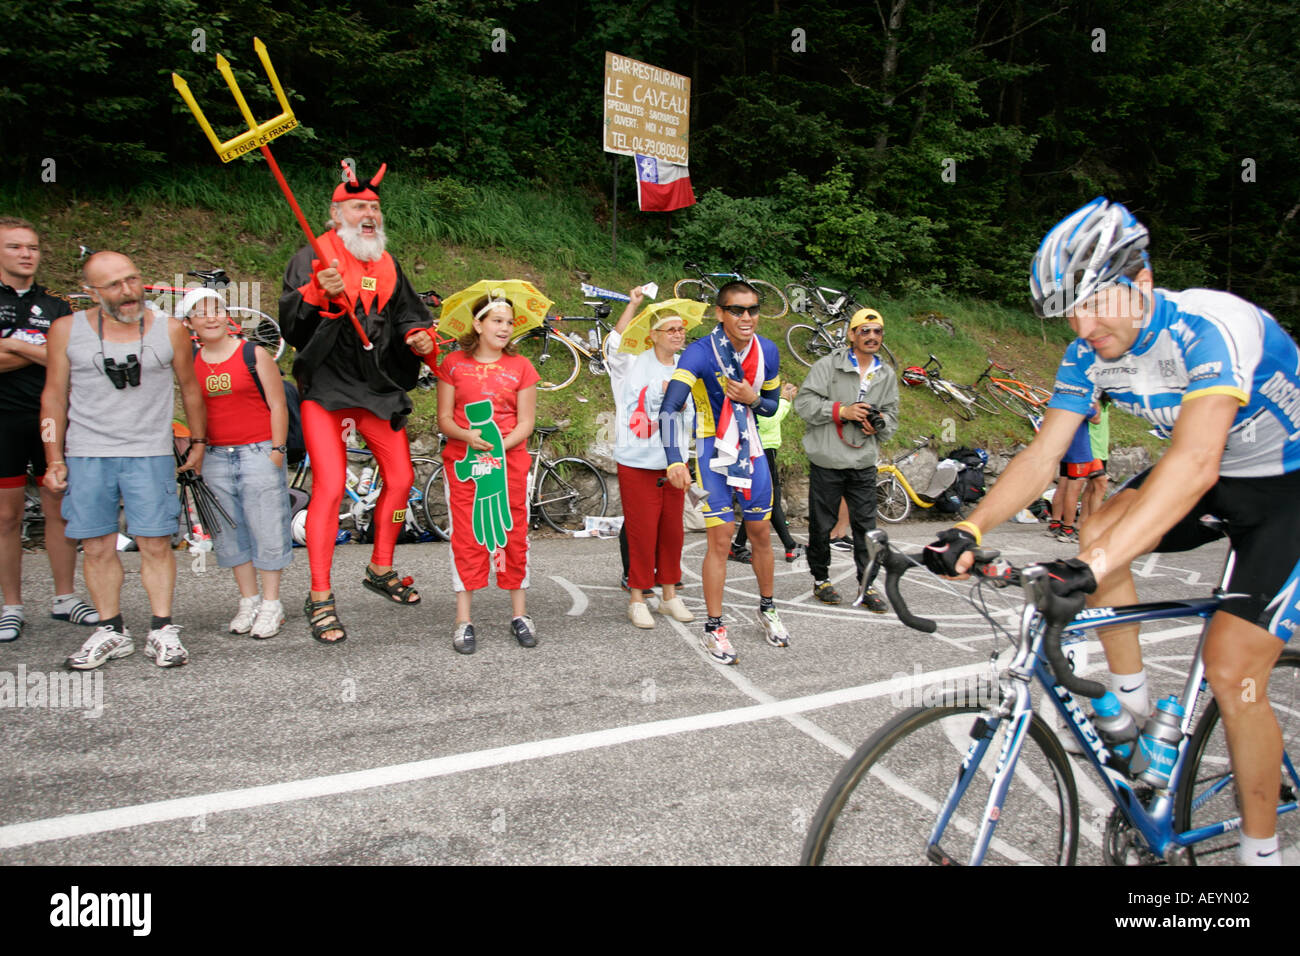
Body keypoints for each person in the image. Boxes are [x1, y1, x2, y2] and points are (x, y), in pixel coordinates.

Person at [923, 196, 1300, 866]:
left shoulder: (1214, 326)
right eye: (1070, 309)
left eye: (1094, 302)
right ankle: (1132, 719)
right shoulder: (1087, 353)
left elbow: (1194, 459)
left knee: (1233, 673)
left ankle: (1262, 853)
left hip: (1285, 488)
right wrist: (971, 525)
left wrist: (1093, 571)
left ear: (1143, 283)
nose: (1081, 323)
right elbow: (1044, 455)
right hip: (1216, 477)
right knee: (1098, 526)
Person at [279, 161, 437, 644]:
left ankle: (380, 566)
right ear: (336, 214)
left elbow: (411, 313)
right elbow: (289, 324)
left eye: (373, 207)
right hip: (326, 385)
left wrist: (419, 336)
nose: (368, 214)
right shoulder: (313, 255)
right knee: (328, 486)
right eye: (358, 207)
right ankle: (320, 595)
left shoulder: (387, 263)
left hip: (375, 384)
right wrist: (314, 293)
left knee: (403, 478)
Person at [41, 250, 207, 669]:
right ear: (90, 292)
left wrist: (199, 441)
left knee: (155, 543)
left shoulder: (169, 329)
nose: (128, 291)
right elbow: (53, 397)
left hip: (149, 453)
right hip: (87, 453)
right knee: (96, 546)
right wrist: (53, 456)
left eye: (132, 279)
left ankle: (162, 629)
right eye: (114, 285)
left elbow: (190, 387)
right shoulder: (65, 330)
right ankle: (112, 630)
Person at [660, 281, 789, 664]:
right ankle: (714, 628)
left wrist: (753, 399)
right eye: (736, 310)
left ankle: (767, 609)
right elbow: (669, 407)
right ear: (720, 313)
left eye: (752, 309)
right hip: (711, 450)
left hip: (751, 449)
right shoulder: (700, 352)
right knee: (720, 540)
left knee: (761, 534)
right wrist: (673, 459)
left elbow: (770, 406)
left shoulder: (767, 349)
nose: (746, 317)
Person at [0, 217, 97, 642]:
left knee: (59, 507)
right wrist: (43, 352)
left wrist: (15, 344)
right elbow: (55, 356)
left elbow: (73, 360)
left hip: (52, 416)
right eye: (15, 247)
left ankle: (64, 597)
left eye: (32, 247)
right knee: (6, 516)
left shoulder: (57, 304)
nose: (26, 254)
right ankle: (11, 605)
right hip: (3, 418)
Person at [183, 288, 292, 639]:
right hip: (215, 455)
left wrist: (276, 449)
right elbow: (192, 407)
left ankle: (272, 604)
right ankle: (249, 600)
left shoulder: (252, 352)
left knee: (267, 527)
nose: (211, 317)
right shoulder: (190, 362)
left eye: (216, 309)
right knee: (229, 532)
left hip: (258, 450)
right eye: (201, 312)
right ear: (190, 323)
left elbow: (278, 403)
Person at [437, 295, 539, 654]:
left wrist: (498, 446)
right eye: (496, 321)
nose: (504, 328)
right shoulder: (452, 364)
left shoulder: (522, 366)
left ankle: (520, 615)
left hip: (509, 463)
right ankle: (463, 620)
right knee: (466, 536)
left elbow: (526, 422)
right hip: (465, 465)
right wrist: (468, 437)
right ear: (478, 325)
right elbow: (445, 418)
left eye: (509, 322)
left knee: (512, 533)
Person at [793, 307, 898, 610]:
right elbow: (804, 403)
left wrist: (878, 425)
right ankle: (821, 579)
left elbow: (891, 415)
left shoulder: (886, 374)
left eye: (877, 331)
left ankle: (867, 585)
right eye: (864, 331)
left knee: (867, 528)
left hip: (863, 461)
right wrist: (843, 411)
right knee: (821, 525)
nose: (872, 336)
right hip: (828, 460)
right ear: (852, 335)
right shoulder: (828, 366)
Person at [606, 287, 693, 628]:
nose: (678, 334)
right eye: (671, 329)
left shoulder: (687, 368)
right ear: (653, 335)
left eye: (681, 329)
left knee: (673, 531)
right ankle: (638, 597)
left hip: (674, 462)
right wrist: (633, 304)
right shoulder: (631, 364)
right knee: (642, 532)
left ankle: (669, 595)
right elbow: (614, 342)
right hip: (637, 460)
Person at [730, 381, 803, 564]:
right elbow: (768, 419)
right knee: (770, 498)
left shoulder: (760, 381)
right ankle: (789, 545)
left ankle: (739, 545)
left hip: (765, 447)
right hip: (761, 447)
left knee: (762, 499)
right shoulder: (754, 385)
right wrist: (785, 400)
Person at [1045, 402, 1102, 543]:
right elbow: (1096, 419)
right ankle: (1067, 529)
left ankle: (1055, 523)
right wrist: (1096, 403)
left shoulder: (1063, 401)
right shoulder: (1081, 404)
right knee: (1073, 492)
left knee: (1062, 487)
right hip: (1079, 451)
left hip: (1065, 448)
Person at [1080, 392, 1112, 523]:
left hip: (1101, 450)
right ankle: (1094, 524)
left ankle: (1081, 523)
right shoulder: (1094, 401)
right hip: (1092, 449)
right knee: (1101, 487)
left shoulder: (1107, 403)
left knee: (1091, 488)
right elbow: (1094, 419)